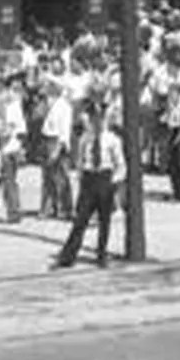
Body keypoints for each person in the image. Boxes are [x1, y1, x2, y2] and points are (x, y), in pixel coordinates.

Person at [52, 102, 124, 269]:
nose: (94, 123)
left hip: (104, 177)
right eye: (92, 119)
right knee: (80, 219)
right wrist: (81, 177)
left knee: (104, 221)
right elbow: (80, 161)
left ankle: (101, 254)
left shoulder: (112, 140)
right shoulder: (86, 139)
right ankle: (68, 255)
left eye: (97, 119)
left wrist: (113, 182)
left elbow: (120, 164)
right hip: (89, 179)